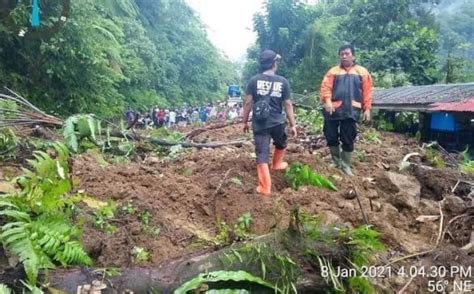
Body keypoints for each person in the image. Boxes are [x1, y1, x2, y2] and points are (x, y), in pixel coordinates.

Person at [242, 50, 297, 196]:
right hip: (278, 122)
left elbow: (248, 103)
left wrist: (244, 122)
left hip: (260, 123)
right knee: (282, 143)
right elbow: (288, 104)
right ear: (274, 64)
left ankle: (265, 188)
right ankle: (277, 164)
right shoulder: (283, 81)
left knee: (262, 153)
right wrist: (293, 124)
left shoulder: (254, 81)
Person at [320, 44, 373, 176]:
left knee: (348, 137)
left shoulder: (362, 72)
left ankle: (345, 165)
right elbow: (325, 87)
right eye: (342, 54)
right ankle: (335, 161)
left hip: (351, 110)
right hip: (333, 109)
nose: (344, 56)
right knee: (330, 135)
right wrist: (327, 101)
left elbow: (367, 92)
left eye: (347, 53)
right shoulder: (333, 72)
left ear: (353, 56)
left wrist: (367, 109)